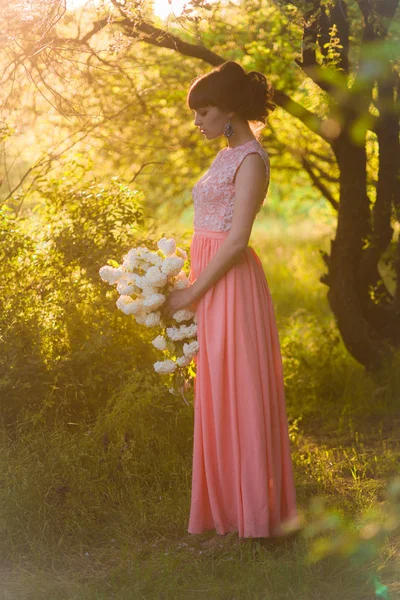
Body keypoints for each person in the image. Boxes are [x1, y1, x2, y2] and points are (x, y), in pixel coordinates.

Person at [161, 61, 299, 548]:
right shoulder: (224, 155)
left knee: (237, 393)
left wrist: (190, 294)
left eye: (204, 111)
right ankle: (225, 513)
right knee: (215, 392)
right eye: (196, 112)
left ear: (231, 110)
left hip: (231, 285)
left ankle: (252, 521)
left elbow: (237, 238)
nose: (197, 121)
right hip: (207, 278)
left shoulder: (251, 160)